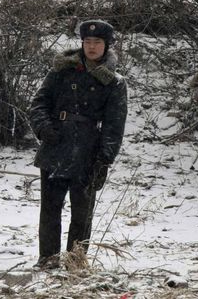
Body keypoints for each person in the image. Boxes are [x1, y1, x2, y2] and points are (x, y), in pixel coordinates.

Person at [29, 19, 128, 270]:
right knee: (50, 209)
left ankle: (75, 262)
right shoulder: (61, 71)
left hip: (88, 152)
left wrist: (104, 158)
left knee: (82, 214)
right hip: (56, 146)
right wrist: (44, 128)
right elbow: (38, 103)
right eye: (87, 42)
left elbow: (114, 125)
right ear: (82, 43)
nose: (92, 47)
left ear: (107, 45)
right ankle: (48, 260)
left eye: (97, 42)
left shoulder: (114, 82)